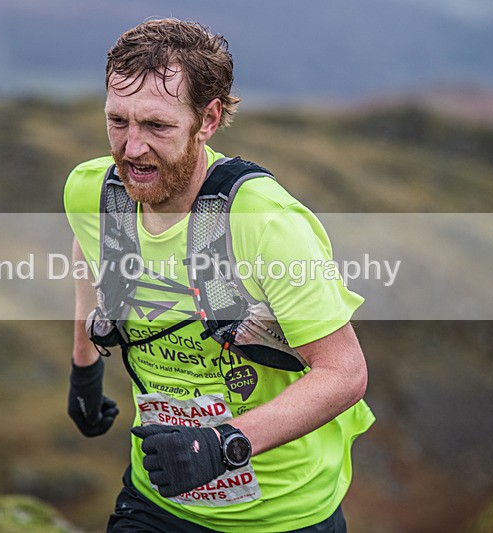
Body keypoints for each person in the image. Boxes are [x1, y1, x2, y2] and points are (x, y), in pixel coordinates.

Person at [64, 18, 375, 532]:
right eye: (118, 121)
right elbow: (86, 247)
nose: (131, 148)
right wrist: (84, 368)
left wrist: (223, 444)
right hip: (157, 501)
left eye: (157, 126)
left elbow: (345, 374)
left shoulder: (267, 224)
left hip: (286, 512)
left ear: (207, 120)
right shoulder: (93, 193)